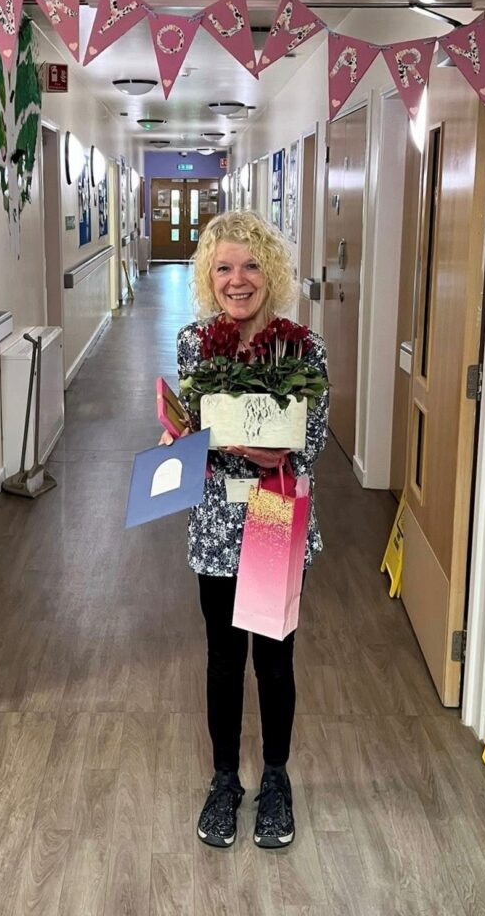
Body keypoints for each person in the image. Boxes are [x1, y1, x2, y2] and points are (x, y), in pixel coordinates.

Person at [161, 210, 329, 849]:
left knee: (275, 659)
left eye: (252, 264)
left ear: (272, 271)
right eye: (225, 267)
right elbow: (190, 429)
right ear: (208, 275)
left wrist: (267, 452)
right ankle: (225, 778)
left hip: (274, 514)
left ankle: (277, 780)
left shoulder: (301, 349)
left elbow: (308, 442)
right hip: (215, 523)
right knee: (224, 658)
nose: (239, 280)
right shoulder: (191, 344)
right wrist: (178, 438)